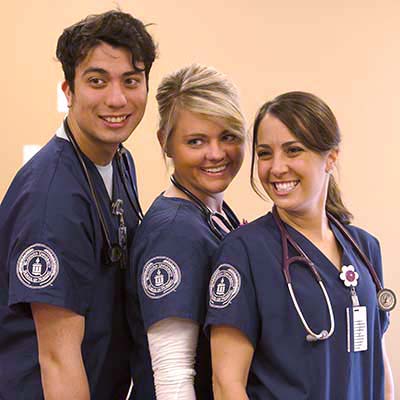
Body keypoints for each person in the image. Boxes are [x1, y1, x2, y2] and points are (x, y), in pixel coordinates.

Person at [0, 10, 156, 400]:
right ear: (69, 90)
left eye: (131, 81)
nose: (117, 99)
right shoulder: (51, 199)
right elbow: (57, 359)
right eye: (97, 81)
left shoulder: (118, 161)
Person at [205, 91, 395, 400]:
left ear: (331, 157)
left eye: (293, 150)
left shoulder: (364, 249)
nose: (276, 168)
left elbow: (377, 362)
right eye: (265, 154)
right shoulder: (244, 252)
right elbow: (227, 385)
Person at [126, 64, 247, 399]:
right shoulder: (174, 232)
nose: (216, 154)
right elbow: (173, 379)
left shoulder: (213, 212)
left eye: (228, 136)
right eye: (196, 141)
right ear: (165, 143)